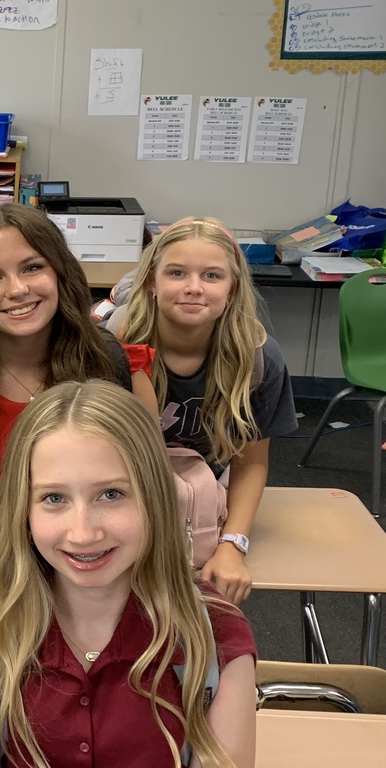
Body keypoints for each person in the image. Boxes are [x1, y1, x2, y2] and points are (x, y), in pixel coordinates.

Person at [0, 380, 257, 768]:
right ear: (23, 511)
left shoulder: (216, 636)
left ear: (155, 498)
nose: (83, 533)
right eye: (54, 498)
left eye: (111, 494)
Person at [0, 203, 157, 491]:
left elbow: (148, 489)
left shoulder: (115, 367)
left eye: (32, 267)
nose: (17, 290)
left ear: (60, 272)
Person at [116, 217, 297, 604]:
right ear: (151, 281)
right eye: (177, 272)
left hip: (207, 495)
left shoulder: (258, 358)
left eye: (212, 276)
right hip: (126, 486)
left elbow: (251, 463)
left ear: (232, 290)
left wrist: (233, 544)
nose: (194, 288)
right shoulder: (112, 345)